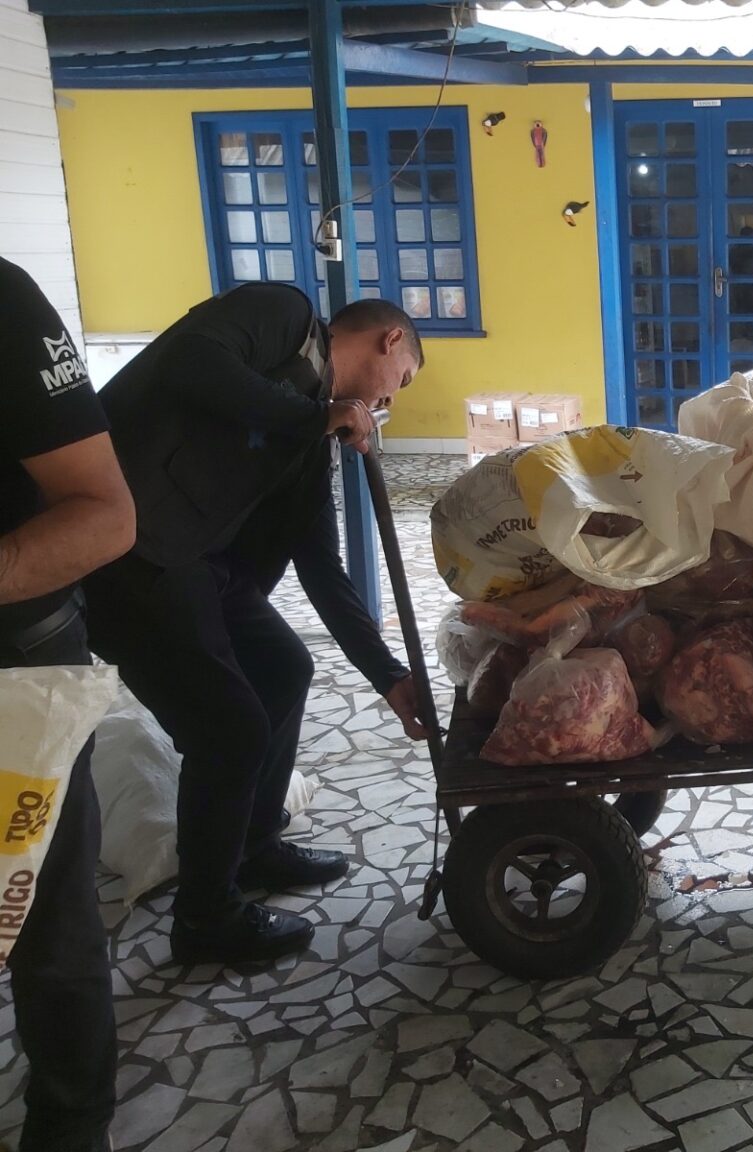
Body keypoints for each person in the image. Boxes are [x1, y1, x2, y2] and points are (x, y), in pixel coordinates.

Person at [83, 283, 428, 967]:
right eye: (404, 379)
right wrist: (320, 414)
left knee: (284, 668)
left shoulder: (313, 430)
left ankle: (254, 845)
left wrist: (391, 680)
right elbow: (191, 362)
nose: (390, 400)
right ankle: (205, 919)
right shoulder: (284, 316)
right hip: (128, 550)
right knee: (230, 728)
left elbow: (323, 569)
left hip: (198, 563)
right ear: (389, 340)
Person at [0, 256, 135, 1151]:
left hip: (18, 662)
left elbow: (106, 513)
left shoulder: (4, 304)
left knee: (44, 916)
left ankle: (70, 1122)